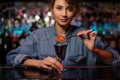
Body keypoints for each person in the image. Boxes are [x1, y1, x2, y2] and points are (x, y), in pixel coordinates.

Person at [6, 0, 120, 72]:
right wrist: (38, 63)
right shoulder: (38, 36)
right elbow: (11, 57)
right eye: (59, 8)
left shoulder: (86, 35)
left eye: (69, 9)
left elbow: (116, 59)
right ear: (52, 9)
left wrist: (95, 50)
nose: (64, 14)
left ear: (75, 11)